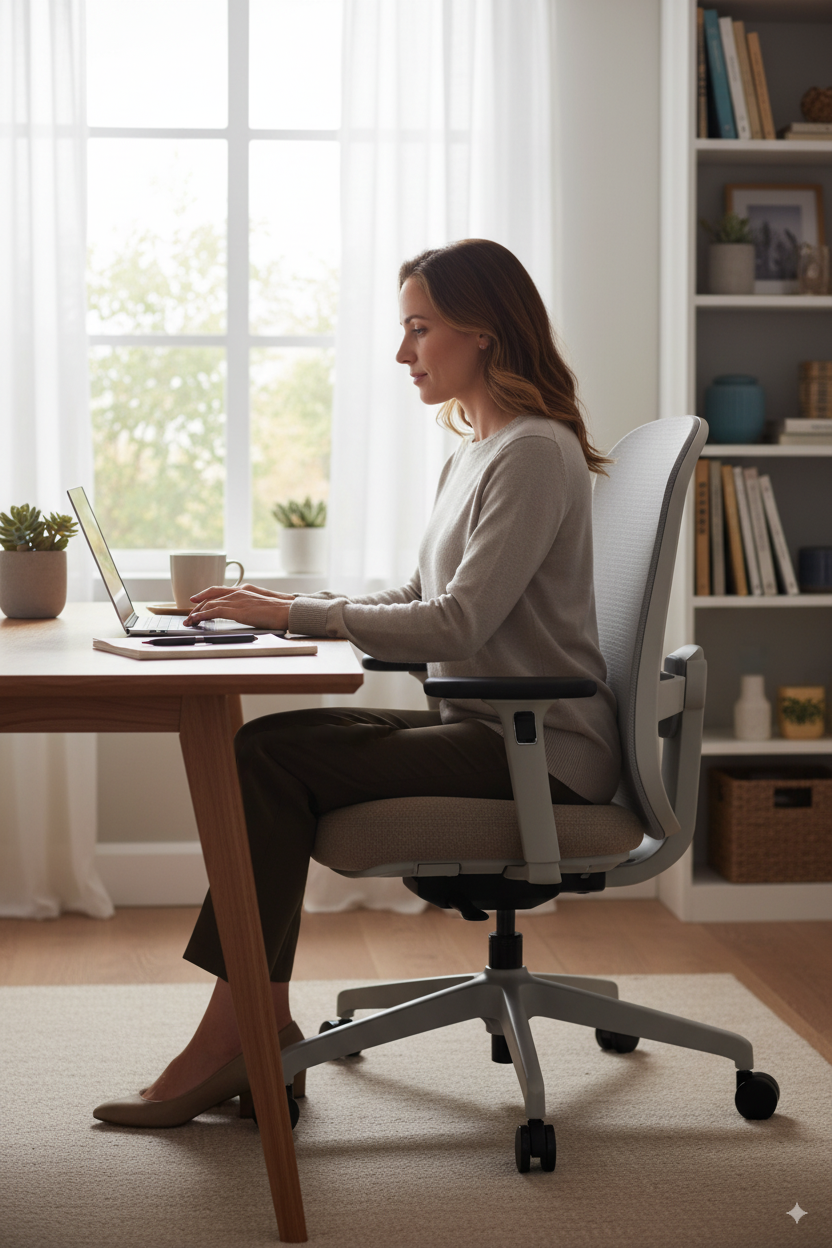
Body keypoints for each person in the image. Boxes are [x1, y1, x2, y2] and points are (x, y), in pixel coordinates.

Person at [93, 238, 621, 1128]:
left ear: (484, 334)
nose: (403, 351)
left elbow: (457, 624)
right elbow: (422, 596)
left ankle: (242, 1035)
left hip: (543, 751)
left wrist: (294, 619)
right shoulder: (476, 453)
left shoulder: (533, 454)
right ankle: (254, 1027)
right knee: (266, 748)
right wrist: (289, 602)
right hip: (489, 732)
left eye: (420, 329)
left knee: (270, 754)